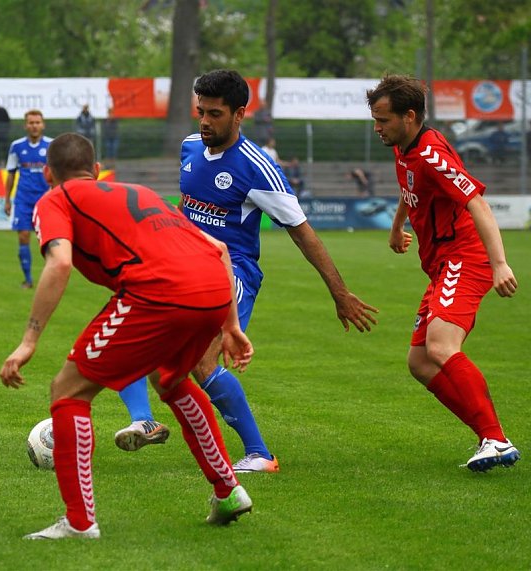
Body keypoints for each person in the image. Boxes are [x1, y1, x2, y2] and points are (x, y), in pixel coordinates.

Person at [115, 69, 378, 473]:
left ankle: (259, 454)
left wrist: (339, 293)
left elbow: (302, 233)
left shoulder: (257, 167)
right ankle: (144, 420)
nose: (204, 121)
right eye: (200, 111)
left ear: (239, 114)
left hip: (230, 274)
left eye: (215, 114)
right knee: (131, 332)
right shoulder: (189, 148)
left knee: (203, 364)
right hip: (179, 269)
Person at [0, 132, 255, 539]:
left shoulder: (55, 198)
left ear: (48, 174)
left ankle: (79, 524)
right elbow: (219, 249)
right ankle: (227, 490)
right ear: (97, 171)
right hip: (212, 287)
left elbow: (60, 263)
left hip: (157, 291)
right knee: (170, 378)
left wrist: (29, 340)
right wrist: (231, 325)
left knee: (67, 390)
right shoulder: (139, 191)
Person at [366, 74, 520, 472]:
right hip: (441, 265)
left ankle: (495, 438)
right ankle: (490, 435)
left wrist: (500, 263)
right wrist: (397, 225)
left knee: (440, 344)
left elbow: (477, 203)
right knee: (419, 361)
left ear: (410, 116)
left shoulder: (432, 153)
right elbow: (409, 187)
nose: (377, 128)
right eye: (375, 120)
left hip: (465, 257)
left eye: (383, 120)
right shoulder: (404, 146)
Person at [4, 110, 53, 289]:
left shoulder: (51, 145)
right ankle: (28, 279)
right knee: (24, 237)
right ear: (25, 125)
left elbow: (57, 173)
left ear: (43, 124)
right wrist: (7, 200)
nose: (34, 126)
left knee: (48, 241)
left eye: (37, 122)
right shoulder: (16, 146)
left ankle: (51, 279)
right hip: (23, 199)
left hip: (46, 200)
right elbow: (10, 174)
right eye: (31, 122)